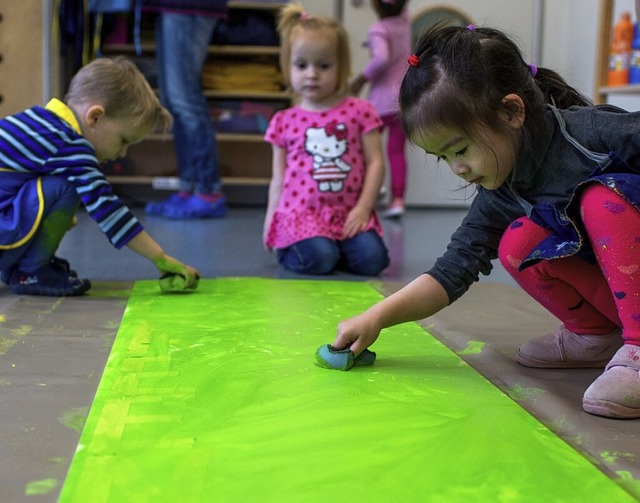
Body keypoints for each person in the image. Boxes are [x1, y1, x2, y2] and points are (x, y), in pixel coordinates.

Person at [331, 24, 640, 420]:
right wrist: (376, 317)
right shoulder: (502, 191)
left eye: (460, 149)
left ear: (511, 111)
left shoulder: (590, 132)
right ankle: (596, 335)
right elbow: (449, 272)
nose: (457, 168)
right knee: (519, 241)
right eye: (443, 158)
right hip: (620, 296)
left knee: (600, 202)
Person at [0, 56, 200, 296]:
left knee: (63, 188)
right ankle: (31, 271)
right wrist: (160, 257)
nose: (122, 153)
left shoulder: (43, 123)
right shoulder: (68, 143)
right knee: (68, 186)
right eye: (123, 140)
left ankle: (26, 266)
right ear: (95, 117)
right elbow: (108, 210)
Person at [262, 4, 390, 276]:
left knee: (373, 261)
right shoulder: (284, 120)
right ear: (288, 66)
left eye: (323, 65)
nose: (311, 74)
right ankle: (300, 248)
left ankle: (333, 250)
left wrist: (363, 208)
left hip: (348, 213)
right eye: (301, 65)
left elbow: (376, 162)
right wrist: (271, 221)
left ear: (341, 67)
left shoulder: (360, 111)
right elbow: (278, 178)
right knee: (319, 258)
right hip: (301, 217)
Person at [142, 0, 228, 219]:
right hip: (173, 6)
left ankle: (208, 190)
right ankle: (189, 186)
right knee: (172, 101)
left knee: (185, 100)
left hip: (188, 5)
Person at [349, 0, 411, 219]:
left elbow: (381, 58)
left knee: (363, 149)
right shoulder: (405, 22)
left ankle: (372, 188)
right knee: (396, 152)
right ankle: (397, 200)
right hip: (402, 99)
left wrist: (360, 80)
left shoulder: (379, 29)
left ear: (375, 5)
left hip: (381, 101)